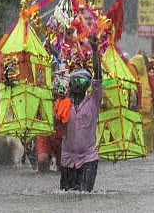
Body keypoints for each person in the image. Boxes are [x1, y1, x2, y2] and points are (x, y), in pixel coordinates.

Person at [60, 35, 102, 192]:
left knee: (85, 195)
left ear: (87, 86)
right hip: (67, 159)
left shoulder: (93, 101)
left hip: (88, 158)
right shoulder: (62, 103)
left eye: (83, 82)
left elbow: (98, 78)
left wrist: (95, 50)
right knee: (66, 196)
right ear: (69, 85)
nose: (78, 85)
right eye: (75, 82)